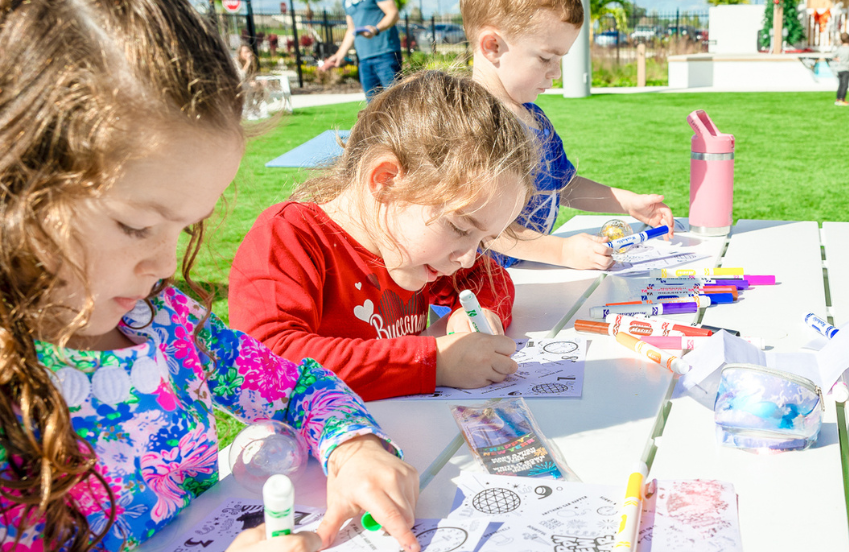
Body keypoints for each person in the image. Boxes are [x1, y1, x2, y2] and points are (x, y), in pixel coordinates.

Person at [0, 2, 419, 551]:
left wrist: (354, 446)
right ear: (19, 184)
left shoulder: (162, 323)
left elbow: (299, 389)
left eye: (186, 228)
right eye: (136, 225)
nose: (166, 266)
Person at [228, 71, 537, 401]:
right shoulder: (288, 237)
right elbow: (267, 361)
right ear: (387, 181)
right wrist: (434, 363)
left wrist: (476, 313)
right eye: (461, 228)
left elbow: (488, 278)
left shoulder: (413, 246)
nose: (468, 256)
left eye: (484, 240)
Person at [459, 0, 675, 271]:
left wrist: (627, 202)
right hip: (474, 293)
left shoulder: (534, 118)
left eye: (560, 59)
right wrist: (561, 251)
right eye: (546, 58)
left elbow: (563, 184)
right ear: (492, 46)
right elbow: (482, 227)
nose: (556, 73)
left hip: (524, 275)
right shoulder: (469, 126)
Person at [319, 0, 403, 101]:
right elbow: (351, 30)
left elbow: (393, 14)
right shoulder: (346, 2)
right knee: (372, 106)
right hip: (364, 59)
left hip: (386, 55)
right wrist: (338, 55)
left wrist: (376, 29)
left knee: (395, 101)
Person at [835, 32, 849, 106]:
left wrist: (837, 59)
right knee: (845, 85)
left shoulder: (839, 49)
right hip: (846, 69)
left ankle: (838, 99)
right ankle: (841, 99)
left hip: (839, 69)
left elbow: (833, 56)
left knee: (841, 85)